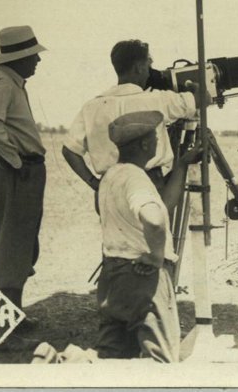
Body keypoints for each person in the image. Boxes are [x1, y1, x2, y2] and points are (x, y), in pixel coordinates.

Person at [95, 110, 200, 362]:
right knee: (161, 360)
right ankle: (55, 359)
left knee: (112, 358)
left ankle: (68, 362)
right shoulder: (136, 178)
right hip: (141, 278)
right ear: (144, 144)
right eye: (155, 137)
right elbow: (154, 220)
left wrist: (183, 163)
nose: (157, 142)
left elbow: (163, 206)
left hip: (112, 277)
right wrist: (156, 256)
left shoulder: (111, 175)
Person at [62, 40, 201, 215]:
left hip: (108, 188)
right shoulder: (156, 100)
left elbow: (69, 150)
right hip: (147, 186)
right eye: (148, 66)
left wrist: (94, 183)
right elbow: (203, 98)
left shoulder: (92, 106)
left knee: (119, 239)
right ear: (138, 68)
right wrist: (194, 86)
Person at [0, 25, 47, 313]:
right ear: (19, 58)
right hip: (16, 173)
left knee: (18, 248)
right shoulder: (3, 83)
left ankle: (10, 317)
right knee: (11, 251)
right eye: (33, 55)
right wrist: (13, 160)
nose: (37, 61)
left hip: (9, 171)